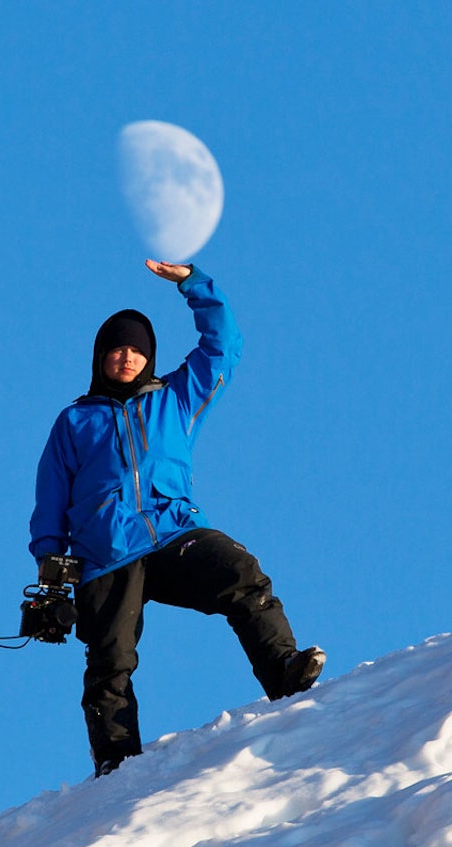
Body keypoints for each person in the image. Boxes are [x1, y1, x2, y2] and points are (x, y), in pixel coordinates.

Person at [29, 259, 325, 778]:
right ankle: (116, 764)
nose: (126, 357)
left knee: (241, 574)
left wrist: (195, 285)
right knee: (110, 662)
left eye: (136, 349)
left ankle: (284, 671)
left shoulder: (174, 399)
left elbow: (223, 348)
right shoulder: (74, 421)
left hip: (172, 532)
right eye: (117, 349)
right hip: (103, 554)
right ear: (100, 357)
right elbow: (51, 495)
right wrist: (50, 562)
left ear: (149, 358)